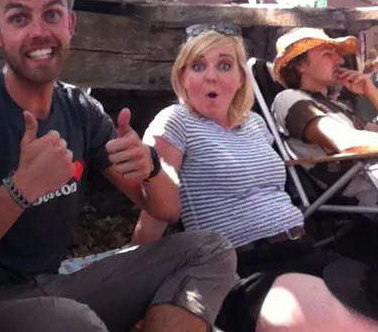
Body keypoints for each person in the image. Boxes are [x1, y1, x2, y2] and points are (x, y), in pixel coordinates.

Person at [0, 0, 237, 332]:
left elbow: (166, 210)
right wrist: (19, 189)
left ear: (70, 24)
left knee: (209, 250)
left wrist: (151, 166)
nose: (39, 31)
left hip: (54, 288)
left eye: (51, 14)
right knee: (73, 322)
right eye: (19, 18)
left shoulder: (80, 109)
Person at [131, 25, 378, 332]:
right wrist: (134, 291)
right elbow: (155, 211)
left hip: (303, 248)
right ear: (183, 78)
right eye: (198, 66)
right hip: (240, 264)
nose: (211, 76)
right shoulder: (175, 121)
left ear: (240, 79)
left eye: (224, 65)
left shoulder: (255, 125)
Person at [271, 28, 378, 206]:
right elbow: (347, 142)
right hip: (368, 196)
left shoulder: (338, 106)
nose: (340, 60)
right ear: (300, 65)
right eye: (328, 54)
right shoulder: (290, 99)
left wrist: (370, 91)